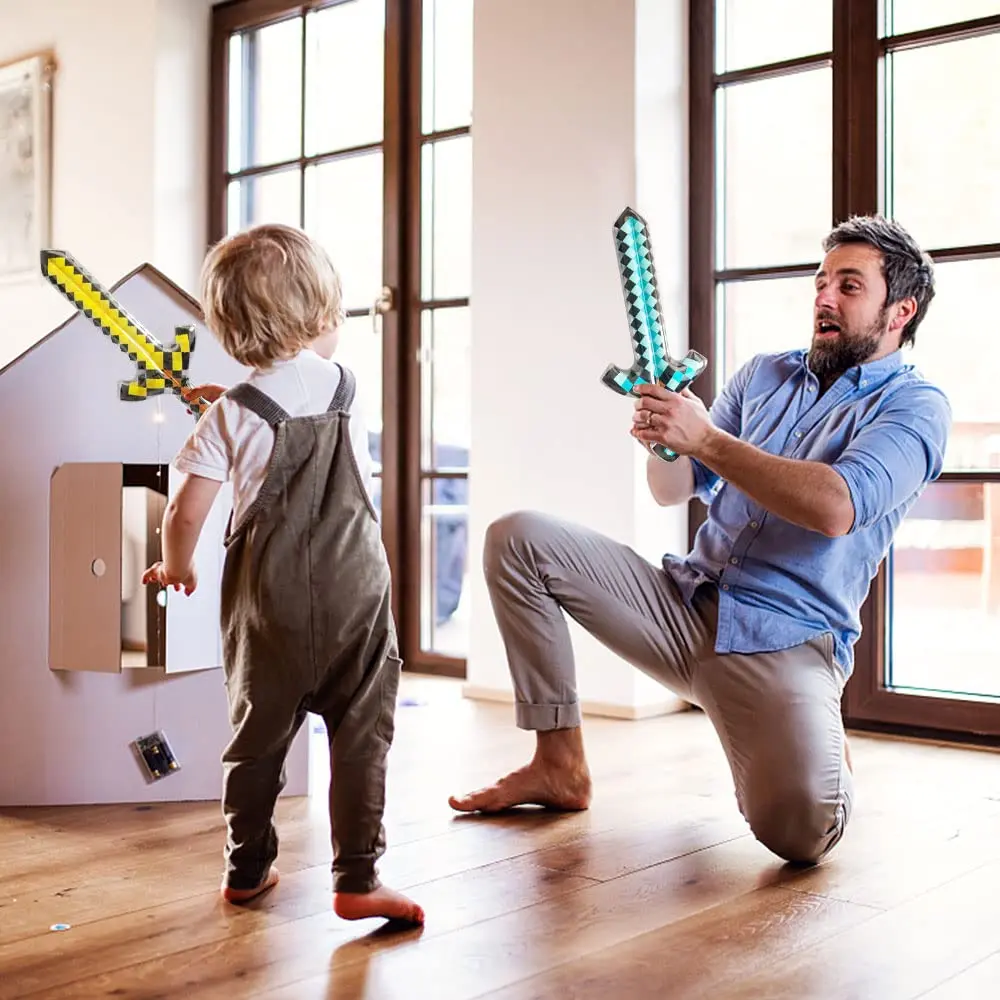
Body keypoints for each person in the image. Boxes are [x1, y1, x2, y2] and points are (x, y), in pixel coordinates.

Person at [449, 215, 952, 865]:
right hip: (683, 604)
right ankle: (558, 764)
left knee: (801, 834)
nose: (825, 297)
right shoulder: (765, 374)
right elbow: (673, 486)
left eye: (849, 286)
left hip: (782, 637)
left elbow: (835, 507)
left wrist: (707, 437)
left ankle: (809, 732)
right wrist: (666, 435)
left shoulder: (917, 408)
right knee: (518, 539)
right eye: (822, 281)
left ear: (900, 312)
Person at [141, 223, 423, 923]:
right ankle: (358, 877)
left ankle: (246, 869)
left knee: (257, 737)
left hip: (269, 604)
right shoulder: (344, 386)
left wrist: (176, 568)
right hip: (357, 588)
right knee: (362, 735)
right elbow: (300, 380)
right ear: (321, 314)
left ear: (230, 326)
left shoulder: (227, 415)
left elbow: (184, 514)